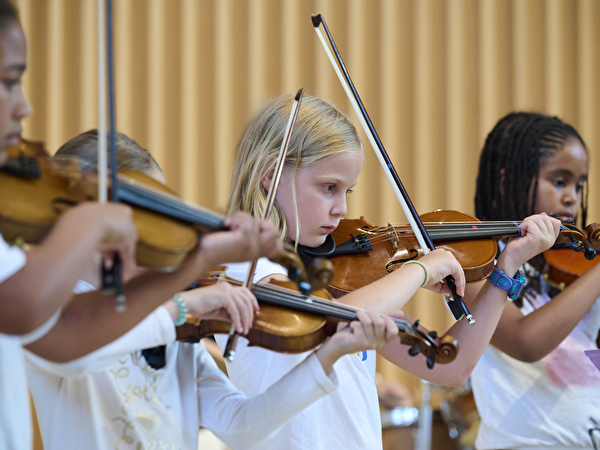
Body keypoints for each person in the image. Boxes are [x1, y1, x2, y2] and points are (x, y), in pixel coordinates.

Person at [0, 3, 281, 448]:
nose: (25, 105)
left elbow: (240, 422)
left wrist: (326, 359)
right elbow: (63, 343)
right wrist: (183, 301)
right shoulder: (60, 292)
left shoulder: (163, 311)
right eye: (8, 81)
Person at [215, 94, 561, 450]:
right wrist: (418, 269)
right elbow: (334, 319)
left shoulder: (333, 277)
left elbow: (450, 367)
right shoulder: (249, 270)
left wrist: (505, 269)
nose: (342, 209)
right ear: (271, 176)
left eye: (347, 190)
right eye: (328, 188)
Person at [24, 129, 401, 450]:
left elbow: (241, 425)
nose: (162, 230)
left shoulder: (171, 315)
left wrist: (330, 352)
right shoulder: (47, 305)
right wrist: (183, 305)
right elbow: (78, 353)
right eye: (146, 213)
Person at [470, 112, 600, 450]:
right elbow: (524, 341)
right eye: (559, 181)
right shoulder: (476, 262)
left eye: (579, 184)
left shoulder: (577, 264)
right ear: (507, 180)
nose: (572, 196)